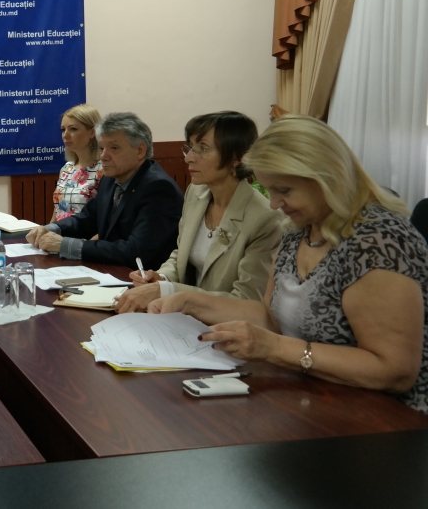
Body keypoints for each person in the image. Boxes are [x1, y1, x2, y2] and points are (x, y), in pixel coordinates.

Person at [150, 115, 428, 413]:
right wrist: (188, 301)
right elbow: (270, 316)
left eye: (283, 190)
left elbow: (393, 370)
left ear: (326, 177)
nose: (273, 203)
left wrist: (274, 348)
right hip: (311, 398)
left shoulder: (379, 240)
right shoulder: (299, 230)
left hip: (384, 418)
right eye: (270, 190)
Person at [115, 112, 283, 312]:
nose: (188, 158)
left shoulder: (264, 218)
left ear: (237, 157)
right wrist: (161, 278)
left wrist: (168, 290)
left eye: (203, 148)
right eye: (190, 148)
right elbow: (180, 254)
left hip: (224, 324)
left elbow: (246, 300)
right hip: (181, 316)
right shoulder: (196, 193)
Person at [27, 112, 183, 269]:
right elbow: (86, 219)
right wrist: (50, 229)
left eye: (114, 148)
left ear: (140, 150)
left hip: (143, 277)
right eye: (101, 148)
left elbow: (135, 252)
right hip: (111, 270)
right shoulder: (110, 179)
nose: (103, 156)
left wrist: (65, 245)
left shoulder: (158, 188)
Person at [52, 103, 103, 222]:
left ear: (92, 132)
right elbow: (57, 211)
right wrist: (46, 230)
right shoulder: (67, 168)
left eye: (73, 129)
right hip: (59, 231)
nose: (65, 135)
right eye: (63, 129)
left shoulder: (103, 170)